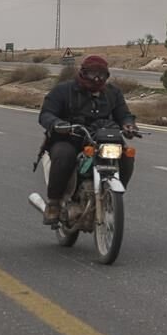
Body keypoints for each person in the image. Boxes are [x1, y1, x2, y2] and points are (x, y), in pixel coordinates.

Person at [37, 54, 139, 225]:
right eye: (93, 74)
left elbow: (124, 115)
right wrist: (57, 124)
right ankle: (54, 203)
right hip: (70, 137)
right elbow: (46, 114)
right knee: (64, 155)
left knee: (127, 154)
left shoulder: (113, 93)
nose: (97, 78)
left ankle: (112, 196)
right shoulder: (64, 90)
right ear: (83, 73)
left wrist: (129, 125)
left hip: (102, 138)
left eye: (102, 75)